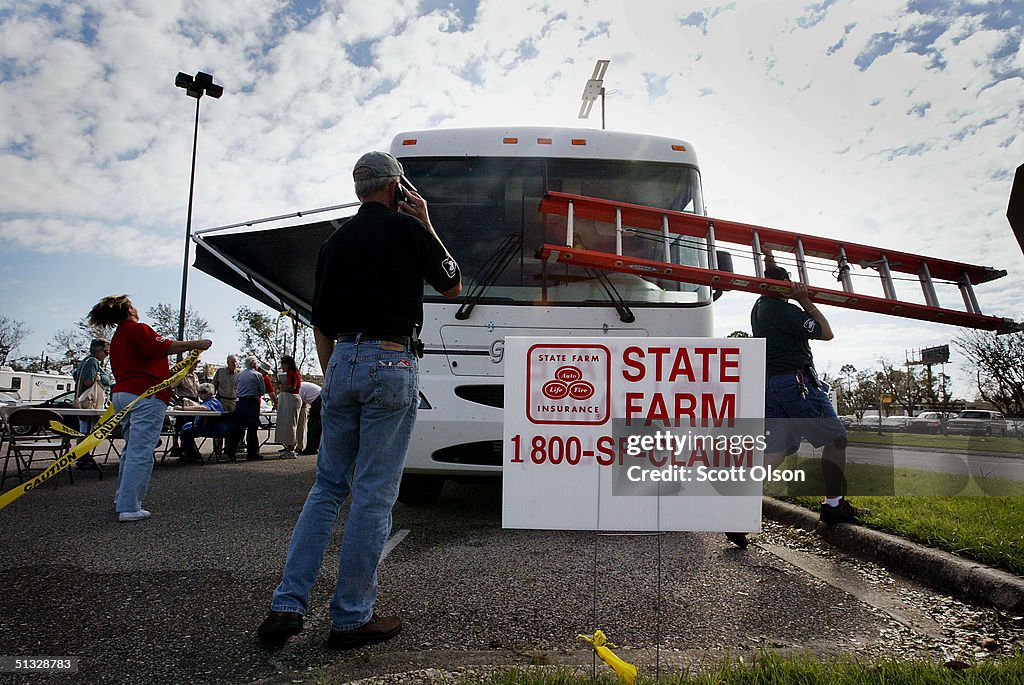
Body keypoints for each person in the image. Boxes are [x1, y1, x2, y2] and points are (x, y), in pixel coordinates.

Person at [257, 151, 461, 650]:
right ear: (397, 189)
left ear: (358, 189)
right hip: (391, 358)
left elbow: (320, 320)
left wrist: (336, 376)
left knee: (327, 488)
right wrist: (428, 222)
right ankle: (350, 617)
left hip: (341, 359)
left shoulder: (333, 243)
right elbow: (454, 285)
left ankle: (288, 603)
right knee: (373, 494)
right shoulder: (410, 231)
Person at [727, 249, 863, 548]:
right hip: (796, 383)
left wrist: (769, 261)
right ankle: (833, 505)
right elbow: (826, 333)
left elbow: (771, 280)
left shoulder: (759, 307)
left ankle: (738, 511)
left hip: (771, 386)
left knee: (776, 450)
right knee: (836, 439)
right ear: (784, 288)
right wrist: (804, 299)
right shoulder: (785, 310)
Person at [86, 295, 212, 522]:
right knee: (141, 451)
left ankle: (122, 498)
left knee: (130, 449)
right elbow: (162, 346)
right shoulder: (138, 329)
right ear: (129, 310)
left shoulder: (118, 338)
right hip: (145, 394)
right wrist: (197, 344)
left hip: (123, 394)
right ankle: (129, 506)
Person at [73, 338, 113, 470]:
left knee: (86, 429)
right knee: (87, 430)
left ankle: (84, 456)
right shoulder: (92, 361)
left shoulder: (85, 361)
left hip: (88, 402)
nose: (107, 355)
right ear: (97, 350)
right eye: (106, 352)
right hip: (90, 403)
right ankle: (82, 457)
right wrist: (100, 378)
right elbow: (88, 381)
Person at [226, 356, 265, 461]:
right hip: (252, 402)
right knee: (252, 429)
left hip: (240, 402)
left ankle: (231, 451)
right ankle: (252, 453)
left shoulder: (239, 375)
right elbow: (262, 391)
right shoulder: (258, 375)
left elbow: (236, 387)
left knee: (237, 428)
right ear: (254, 364)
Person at [177, 383, 227, 463]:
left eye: (203, 392)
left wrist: (183, 408)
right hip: (206, 426)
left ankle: (192, 454)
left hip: (212, 428)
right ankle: (191, 452)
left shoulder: (213, 402)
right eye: (199, 392)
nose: (200, 394)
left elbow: (203, 408)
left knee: (185, 432)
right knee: (185, 426)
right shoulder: (207, 401)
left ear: (210, 393)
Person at [212, 355, 240, 459]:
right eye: (232, 362)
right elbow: (213, 385)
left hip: (233, 401)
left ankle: (229, 450)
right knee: (219, 425)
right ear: (227, 362)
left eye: (236, 362)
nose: (234, 364)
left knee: (232, 427)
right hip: (221, 401)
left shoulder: (239, 373)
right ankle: (217, 450)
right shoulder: (220, 372)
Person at [274, 355, 302, 459]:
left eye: (284, 364)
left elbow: (292, 387)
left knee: (290, 424)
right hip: (288, 400)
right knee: (287, 424)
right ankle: (289, 448)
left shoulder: (292, 373)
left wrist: (282, 387)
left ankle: (291, 449)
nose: (283, 366)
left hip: (292, 399)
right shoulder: (290, 373)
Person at [295, 380, 322, 455]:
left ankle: (311, 448)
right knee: (318, 426)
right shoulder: (303, 386)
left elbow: (298, 404)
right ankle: (316, 446)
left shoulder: (298, 389)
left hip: (317, 400)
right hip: (320, 397)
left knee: (312, 425)